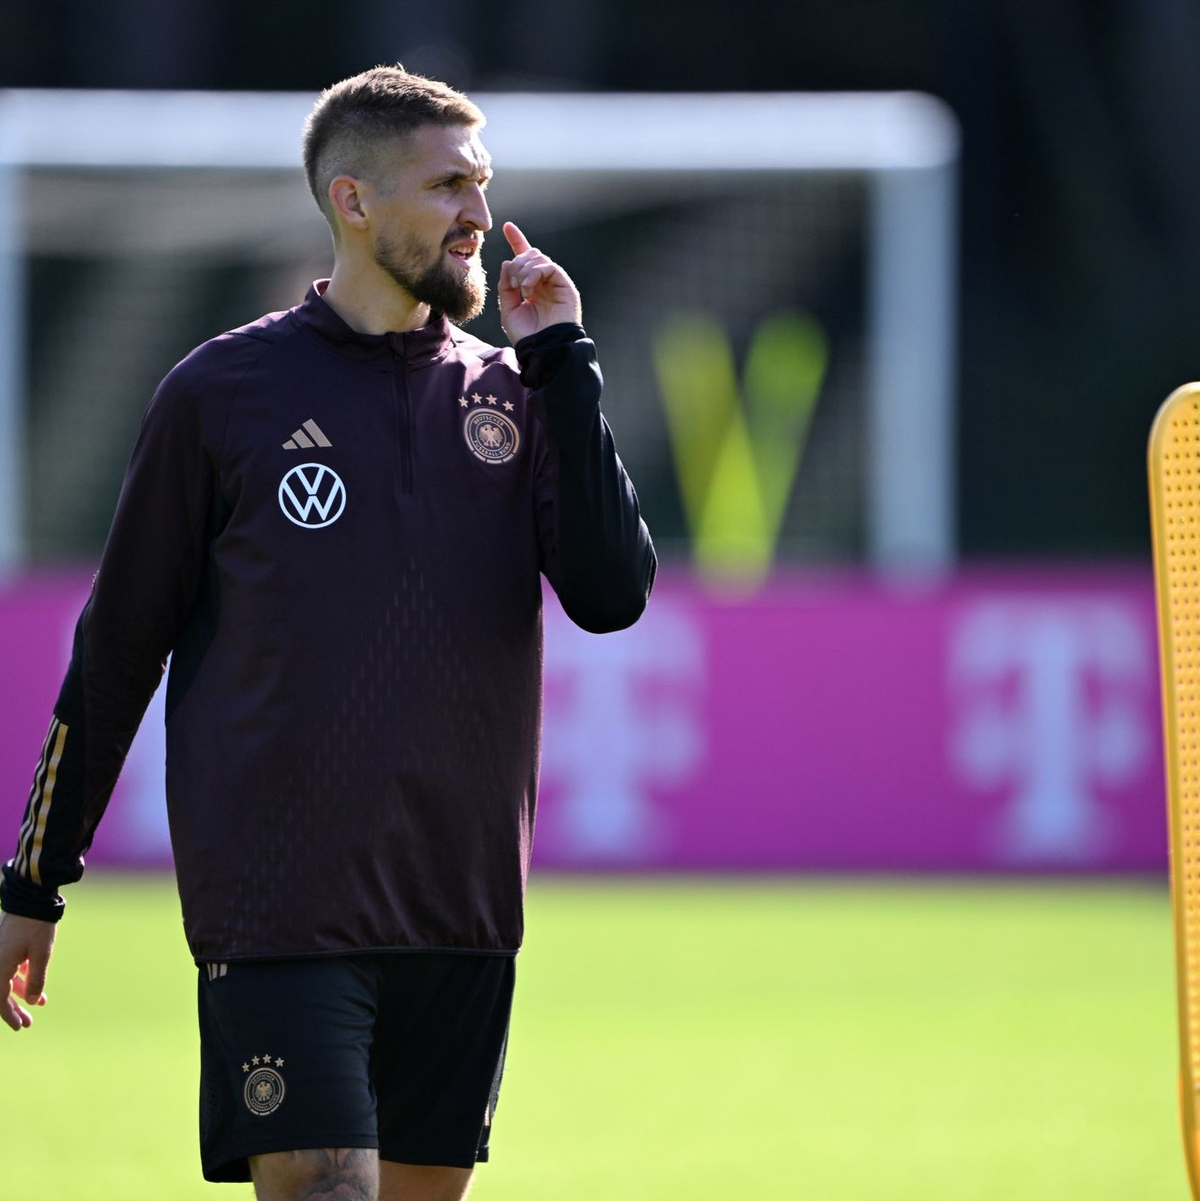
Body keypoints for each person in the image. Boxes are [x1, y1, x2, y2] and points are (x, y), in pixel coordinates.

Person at [0, 65, 655, 1201]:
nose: (479, 218)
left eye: (483, 185)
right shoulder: (222, 394)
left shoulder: (516, 394)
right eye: (448, 185)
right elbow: (117, 649)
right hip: (280, 915)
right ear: (352, 202)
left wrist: (563, 358)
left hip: (462, 918)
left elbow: (611, 591)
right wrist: (32, 881)